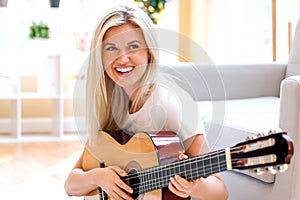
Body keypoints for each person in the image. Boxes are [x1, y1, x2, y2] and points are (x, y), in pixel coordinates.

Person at [64, 4, 228, 200]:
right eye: (111, 48)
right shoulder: (111, 104)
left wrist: (194, 187)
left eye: (133, 46)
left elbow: (220, 192)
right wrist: (98, 177)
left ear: (149, 52)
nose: (123, 58)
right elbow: (70, 184)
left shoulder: (171, 105)